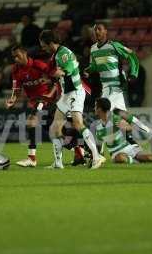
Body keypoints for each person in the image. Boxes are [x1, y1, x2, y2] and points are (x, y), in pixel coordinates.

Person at [5, 44, 84, 167]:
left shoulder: (38, 65)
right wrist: (12, 99)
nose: (16, 59)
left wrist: (49, 94)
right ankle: (79, 151)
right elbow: (17, 89)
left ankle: (32, 158)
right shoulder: (16, 70)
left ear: (25, 54)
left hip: (47, 99)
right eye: (14, 57)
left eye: (18, 56)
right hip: (36, 101)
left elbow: (55, 77)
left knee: (31, 122)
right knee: (55, 131)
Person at [85, 22, 152, 152]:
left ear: (106, 31)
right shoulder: (93, 49)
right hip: (106, 86)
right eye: (95, 30)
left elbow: (132, 56)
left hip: (114, 86)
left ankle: (97, 155)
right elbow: (95, 66)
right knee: (121, 115)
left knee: (102, 115)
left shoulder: (114, 46)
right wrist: (88, 70)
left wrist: (134, 74)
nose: (97, 32)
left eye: (100, 29)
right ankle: (149, 134)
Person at [39, 30, 105, 169]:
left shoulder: (63, 53)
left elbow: (69, 67)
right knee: (55, 129)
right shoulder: (57, 54)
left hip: (75, 92)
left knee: (78, 124)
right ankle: (58, 163)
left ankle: (96, 156)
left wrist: (62, 72)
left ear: (50, 43)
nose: (42, 48)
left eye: (43, 45)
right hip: (66, 94)